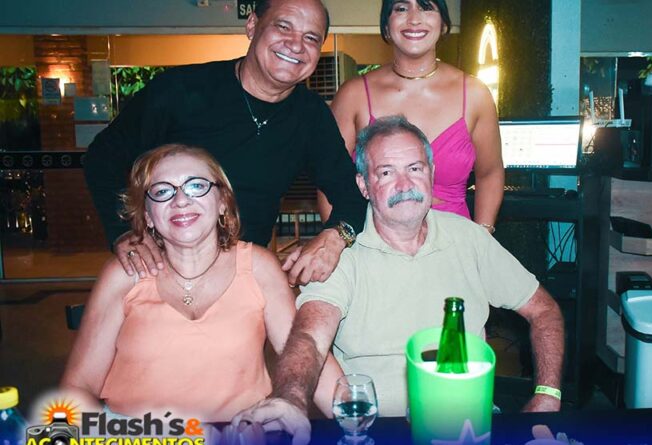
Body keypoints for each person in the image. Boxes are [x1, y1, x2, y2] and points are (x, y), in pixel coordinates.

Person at [233, 116, 564, 439]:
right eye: (386, 172)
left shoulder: (469, 238)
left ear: (431, 173)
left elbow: (544, 310)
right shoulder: (339, 251)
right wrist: (290, 397)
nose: (405, 186)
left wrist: (547, 394)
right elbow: (309, 336)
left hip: (467, 426)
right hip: (377, 430)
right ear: (363, 186)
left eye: (415, 169)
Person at [84, 0, 366, 286]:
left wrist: (335, 237)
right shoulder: (181, 90)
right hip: (160, 270)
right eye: (283, 27)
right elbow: (102, 157)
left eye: (311, 38)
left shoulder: (310, 115)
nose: (295, 45)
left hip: (241, 277)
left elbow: (350, 194)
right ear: (252, 25)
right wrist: (124, 231)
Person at [62, 144, 341, 421]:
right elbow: (78, 385)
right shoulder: (126, 273)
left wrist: (353, 415)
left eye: (196, 186)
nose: (180, 200)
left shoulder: (258, 267)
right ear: (147, 216)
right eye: (162, 191)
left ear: (223, 202)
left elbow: (303, 353)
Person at [317, 0, 503, 233]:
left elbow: (490, 173)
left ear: (444, 24)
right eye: (401, 8)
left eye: (426, 7)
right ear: (386, 26)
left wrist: (482, 238)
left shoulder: (475, 94)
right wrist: (342, 240)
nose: (414, 19)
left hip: (455, 242)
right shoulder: (353, 95)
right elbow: (329, 181)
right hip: (375, 243)